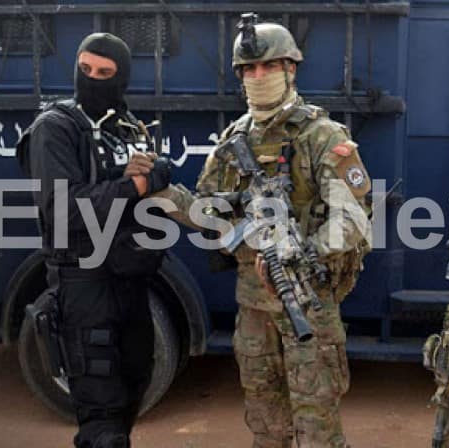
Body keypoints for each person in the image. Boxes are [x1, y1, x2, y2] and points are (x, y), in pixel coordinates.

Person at [154, 15, 372, 448]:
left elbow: (353, 220)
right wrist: (162, 193)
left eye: (269, 66)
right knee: (266, 425)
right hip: (253, 308)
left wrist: (304, 252)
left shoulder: (322, 136)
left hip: (308, 302)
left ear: (291, 69)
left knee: (317, 428)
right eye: (249, 69)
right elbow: (208, 210)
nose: (259, 76)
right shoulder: (233, 139)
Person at [15, 33, 170, 448]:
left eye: (104, 72)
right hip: (84, 285)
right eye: (85, 70)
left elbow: (143, 181)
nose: (92, 79)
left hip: (132, 280)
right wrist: (134, 186)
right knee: (102, 421)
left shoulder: (126, 126)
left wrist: (154, 171)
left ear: (122, 78)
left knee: (133, 390)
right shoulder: (55, 127)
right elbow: (63, 208)